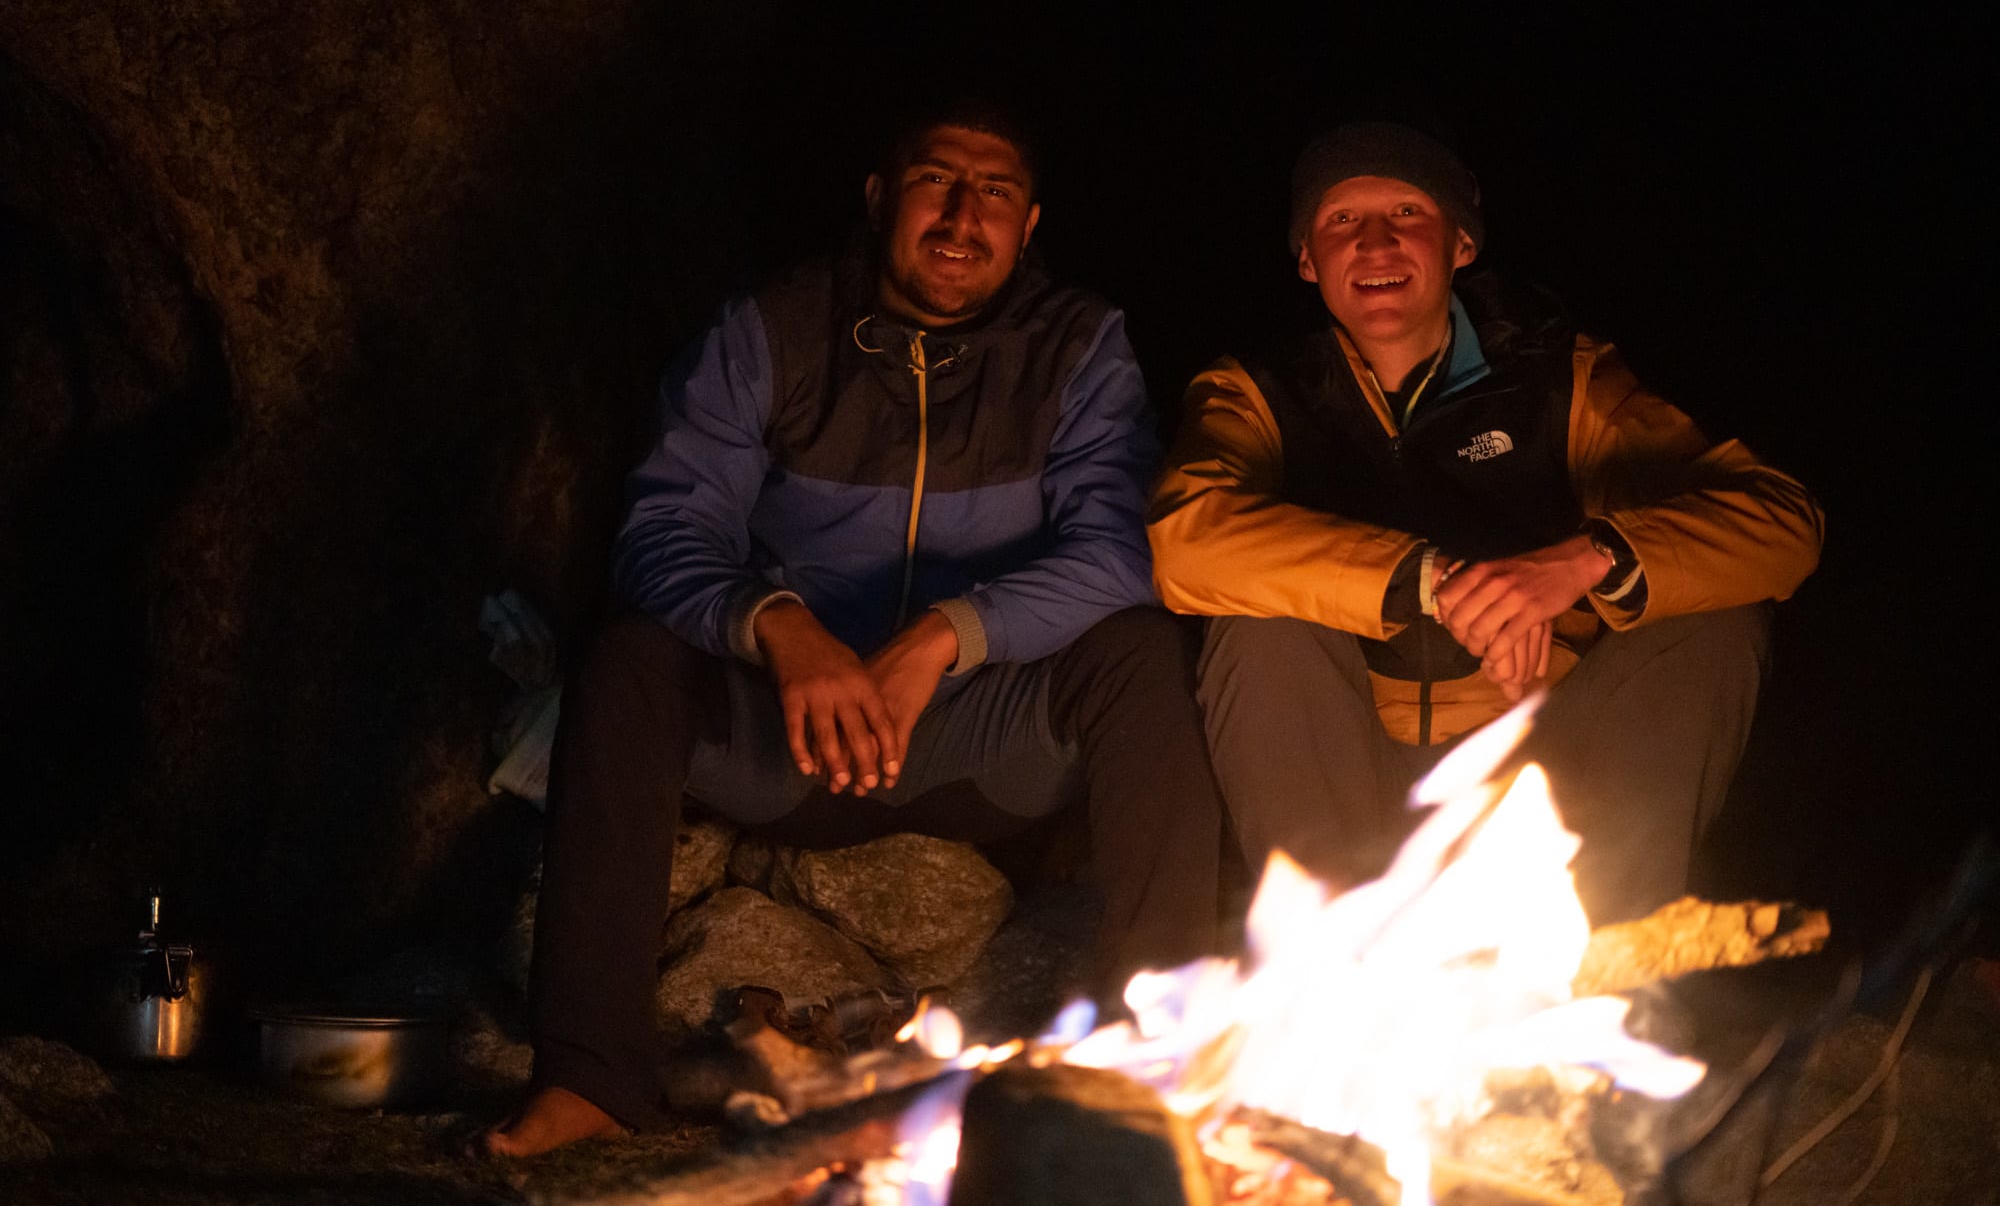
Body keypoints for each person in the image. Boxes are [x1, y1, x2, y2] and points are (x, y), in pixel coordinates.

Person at [484, 99, 1225, 1155]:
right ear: (880, 198)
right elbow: (661, 532)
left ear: (1028, 221)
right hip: (788, 729)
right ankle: (591, 1073)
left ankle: (1152, 1075)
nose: (962, 216)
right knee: (631, 661)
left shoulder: (1075, 346)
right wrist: (778, 626)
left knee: (1144, 657)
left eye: (995, 193)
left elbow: (1115, 550)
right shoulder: (770, 329)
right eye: (936, 182)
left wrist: (945, 636)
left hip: (978, 736)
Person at [1147, 120, 1824, 928]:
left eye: (1405, 213)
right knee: (1254, 626)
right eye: (1340, 221)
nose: (1373, 243)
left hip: (1537, 781)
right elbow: (1185, 536)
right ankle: (1339, 971)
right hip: (1352, 784)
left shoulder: (1563, 381)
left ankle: (1603, 969)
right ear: (1306, 259)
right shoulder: (1258, 393)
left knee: (1713, 616)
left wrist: (1590, 559)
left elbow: (1785, 520)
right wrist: (1430, 580)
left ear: (1460, 243)